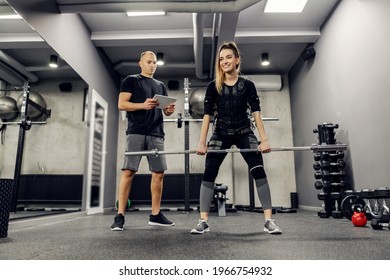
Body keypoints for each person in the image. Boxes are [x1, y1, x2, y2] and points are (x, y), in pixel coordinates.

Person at [190, 41, 282, 235]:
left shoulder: (248, 85)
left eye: (229, 57)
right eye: (221, 59)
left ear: (237, 59)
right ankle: (203, 221)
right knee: (209, 173)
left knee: (258, 171)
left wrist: (263, 139)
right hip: (221, 133)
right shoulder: (213, 86)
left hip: (244, 132)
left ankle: (269, 220)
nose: (225, 61)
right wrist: (201, 141)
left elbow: (256, 112)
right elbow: (207, 115)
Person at [111, 51, 175, 231]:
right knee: (129, 172)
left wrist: (168, 110)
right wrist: (142, 105)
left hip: (156, 133)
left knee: (159, 173)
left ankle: (155, 215)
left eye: (155, 63)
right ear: (140, 63)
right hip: (136, 132)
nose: (152, 65)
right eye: (149, 62)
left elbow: (165, 111)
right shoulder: (131, 80)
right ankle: (120, 216)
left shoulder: (160, 85)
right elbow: (122, 104)